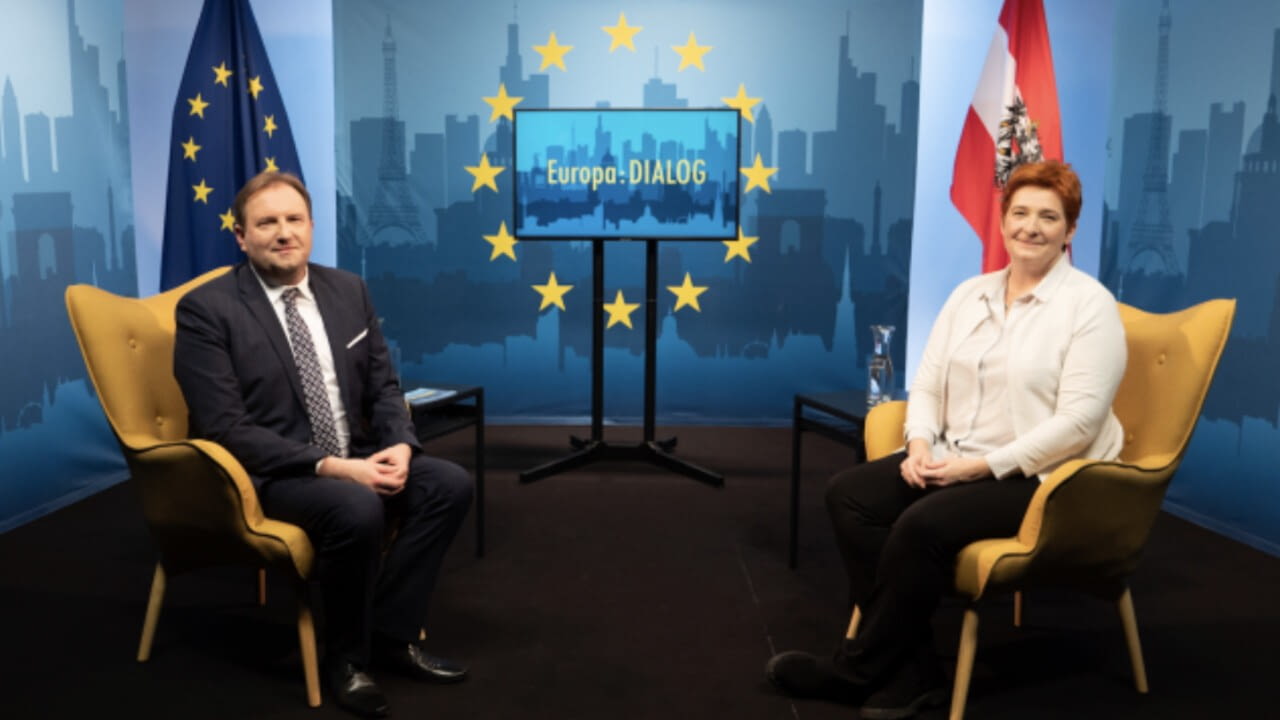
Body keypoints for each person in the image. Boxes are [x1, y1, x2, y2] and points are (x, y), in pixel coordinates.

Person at [766, 160, 1126, 718]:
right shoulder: (969, 294)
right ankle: (914, 668)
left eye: (1049, 217)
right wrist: (919, 445)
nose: (1031, 227)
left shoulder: (1090, 306)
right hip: (954, 456)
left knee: (922, 524)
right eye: (1020, 213)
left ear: (1070, 230)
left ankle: (857, 669)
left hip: (1042, 477)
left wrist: (977, 468)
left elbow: (1078, 424)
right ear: (1002, 221)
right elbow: (930, 383)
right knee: (849, 494)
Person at [173, 171, 474, 719]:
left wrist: (401, 445)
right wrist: (334, 467)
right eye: (267, 222)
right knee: (355, 507)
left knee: (448, 485)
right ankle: (346, 658)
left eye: (294, 219)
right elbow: (225, 429)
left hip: (355, 453)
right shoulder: (206, 310)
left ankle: (390, 632)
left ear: (311, 227)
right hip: (270, 474)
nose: (283, 232)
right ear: (241, 236)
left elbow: (384, 387)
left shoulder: (349, 289)